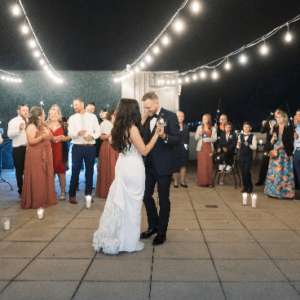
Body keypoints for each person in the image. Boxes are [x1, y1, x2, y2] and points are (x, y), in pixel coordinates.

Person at [93, 98, 160, 255]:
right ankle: (129, 242)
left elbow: (137, 125)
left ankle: (120, 236)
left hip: (122, 165)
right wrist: (156, 136)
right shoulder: (133, 129)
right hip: (133, 168)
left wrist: (146, 115)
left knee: (122, 202)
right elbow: (143, 150)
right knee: (133, 206)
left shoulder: (118, 127)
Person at [140, 92, 181, 246]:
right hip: (148, 165)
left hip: (164, 166)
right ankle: (154, 225)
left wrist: (165, 136)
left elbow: (177, 139)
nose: (146, 110)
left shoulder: (170, 116)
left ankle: (162, 232)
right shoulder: (146, 117)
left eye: (148, 107)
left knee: (163, 200)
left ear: (156, 103)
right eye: (144, 107)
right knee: (145, 196)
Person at [21, 107, 58, 209]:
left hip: (46, 153)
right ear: (38, 116)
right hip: (36, 154)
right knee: (38, 176)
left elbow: (50, 137)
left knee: (46, 175)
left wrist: (49, 130)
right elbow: (31, 141)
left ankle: (45, 198)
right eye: (43, 114)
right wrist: (41, 137)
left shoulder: (42, 125)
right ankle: (37, 200)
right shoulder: (31, 126)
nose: (45, 115)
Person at [68, 98, 101, 204]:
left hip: (90, 147)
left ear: (83, 104)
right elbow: (70, 134)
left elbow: (98, 132)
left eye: (76, 104)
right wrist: (77, 133)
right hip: (77, 147)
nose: (75, 107)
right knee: (75, 171)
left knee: (90, 172)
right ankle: (72, 195)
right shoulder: (72, 118)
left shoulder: (93, 117)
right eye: (74, 105)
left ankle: (88, 195)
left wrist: (92, 137)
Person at [264, 110, 295, 199]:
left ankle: (284, 194)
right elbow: (270, 140)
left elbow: (291, 142)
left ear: (284, 118)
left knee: (284, 174)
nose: (278, 119)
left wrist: (282, 145)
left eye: (280, 117)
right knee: (274, 173)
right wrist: (271, 132)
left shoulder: (289, 128)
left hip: (284, 154)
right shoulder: (275, 128)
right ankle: (272, 192)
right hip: (275, 153)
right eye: (277, 117)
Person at [47, 108, 70, 200]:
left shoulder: (64, 125)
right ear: (49, 116)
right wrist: (51, 139)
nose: (53, 115)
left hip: (61, 152)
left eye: (55, 113)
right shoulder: (45, 125)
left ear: (59, 115)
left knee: (61, 173)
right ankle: (51, 192)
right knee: (50, 174)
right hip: (49, 152)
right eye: (51, 114)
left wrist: (63, 138)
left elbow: (70, 136)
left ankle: (63, 193)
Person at [95, 110, 119, 198]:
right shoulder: (105, 124)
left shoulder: (118, 124)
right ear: (111, 115)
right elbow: (102, 137)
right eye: (115, 115)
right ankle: (106, 191)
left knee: (116, 169)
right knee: (108, 168)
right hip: (108, 147)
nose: (116, 116)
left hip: (118, 147)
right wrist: (111, 133)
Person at [7, 104, 29, 197]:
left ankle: (29, 190)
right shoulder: (13, 121)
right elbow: (9, 134)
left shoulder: (30, 121)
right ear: (18, 111)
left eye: (27, 110)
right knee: (19, 171)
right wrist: (18, 129)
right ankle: (21, 191)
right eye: (23, 110)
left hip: (30, 148)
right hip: (18, 149)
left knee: (29, 170)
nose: (25, 112)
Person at [255, 109, 281, 186]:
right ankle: (261, 180)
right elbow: (262, 131)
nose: (277, 114)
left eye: (279, 113)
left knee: (276, 164)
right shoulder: (270, 121)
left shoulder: (281, 123)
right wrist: (263, 125)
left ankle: (275, 180)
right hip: (268, 146)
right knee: (264, 163)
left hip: (277, 146)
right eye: (276, 113)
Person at [195, 114, 217, 187]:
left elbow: (214, 139)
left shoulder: (213, 128)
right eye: (203, 118)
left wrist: (206, 139)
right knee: (202, 165)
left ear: (209, 120)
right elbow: (196, 138)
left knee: (209, 165)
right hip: (201, 149)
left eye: (205, 118)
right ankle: (202, 182)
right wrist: (199, 134)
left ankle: (209, 182)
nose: (204, 120)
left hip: (209, 148)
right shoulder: (199, 128)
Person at [237, 122, 257, 193]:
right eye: (244, 127)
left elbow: (254, 147)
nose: (245, 129)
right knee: (242, 172)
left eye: (247, 127)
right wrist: (238, 144)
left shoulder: (253, 136)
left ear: (250, 128)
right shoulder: (240, 136)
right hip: (241, 156)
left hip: (248, 156)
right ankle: (245, 186)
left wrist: (249, 145)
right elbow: (238, 147)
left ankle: (249, 186)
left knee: (246, 171)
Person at [173, 111, 190, 188]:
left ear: (183, 118)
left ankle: (182, 181)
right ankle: (175, 181)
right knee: (175, 165)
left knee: (183, 165)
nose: (179, 117)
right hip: (175, 148)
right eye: (178, 116)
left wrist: (186, 147)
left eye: (181, 116)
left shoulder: (186, 126)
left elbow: (187, 138)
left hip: (183, 148)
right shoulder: (173, 126)